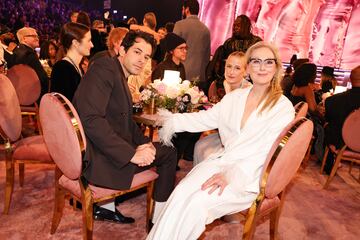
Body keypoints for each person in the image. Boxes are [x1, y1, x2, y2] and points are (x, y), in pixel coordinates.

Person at [147, 41, 294, 239]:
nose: (261, 67)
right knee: (181, 192)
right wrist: (170, 120)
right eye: (256, 61)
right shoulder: (235, 98)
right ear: (248, 66)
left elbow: (267, 152)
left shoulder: (282, 107)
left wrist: (231, 175)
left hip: (249, 176)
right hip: (222, 162)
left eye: (268, 62)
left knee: (197, 204)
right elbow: (205, 118)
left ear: (276, 67)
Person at [72, 30, 177, 224]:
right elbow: (91, 119)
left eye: (146, 57)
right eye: (137, 52)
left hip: (106, 150)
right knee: (170, 153)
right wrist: (131, 154)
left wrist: (146, 144)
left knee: (159, 148)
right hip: (98, 159)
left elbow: (127, 122)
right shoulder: (103, 69)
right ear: (122, 50)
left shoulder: (116, 72)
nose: (142, 60)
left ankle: (107, 209)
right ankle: (160, 222)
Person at [195, 51, 251, 166]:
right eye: (229, 66)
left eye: (237, 68)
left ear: (245, 72)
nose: (231, 72)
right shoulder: (227, 83)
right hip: (225, 133)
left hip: (241, 140)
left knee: (208, 156)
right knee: (199, 145)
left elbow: (237, 122)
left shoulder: (247, 91)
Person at [323, 65, 360, 173]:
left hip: (340, 145)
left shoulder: (332, 101)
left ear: (350, 79)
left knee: (329, 126)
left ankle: (329, 165)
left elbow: (328, 120)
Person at [173, 0, 211, 91]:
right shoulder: (206, 30)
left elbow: (173, 50)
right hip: (199, 77)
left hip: (180, 75)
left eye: (183, 9)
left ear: (187, 9)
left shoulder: (179, 25)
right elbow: (207, 57)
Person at [51, 22, 93, 101]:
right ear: (75, 43)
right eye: (88, 41)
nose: (92, 45)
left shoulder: (77, 66)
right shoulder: (62, 68)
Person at [11, 27, 49, 99]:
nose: (37, 38)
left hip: (20, 95)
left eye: (37, 36)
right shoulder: (29, 54)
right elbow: (42, 79)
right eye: (34, 36)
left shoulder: (16, 51)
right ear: (24, 38)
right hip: (33, 96)